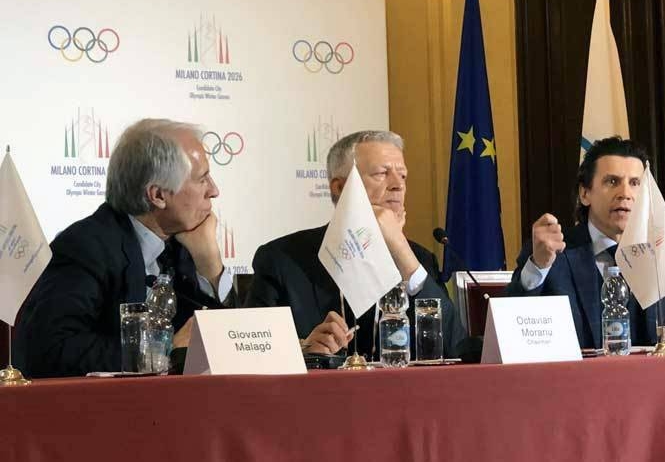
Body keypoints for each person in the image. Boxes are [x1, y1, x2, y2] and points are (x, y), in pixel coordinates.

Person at [14, 118, 233, 377]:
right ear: (158, 196)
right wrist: (162, 352)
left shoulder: (183, 245)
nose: (214, 191)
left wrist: (210, 267)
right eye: (202, 179)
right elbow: (50, 349)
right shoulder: (86, 248)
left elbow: (228, 351)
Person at [246, 130, 466, 359]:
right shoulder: (281, 259)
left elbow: (455, 349)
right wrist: (304, 351)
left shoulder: (418, 259)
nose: (397, 186)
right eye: (382, 173)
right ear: (339, 188)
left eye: (402, 176)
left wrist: (402, 251)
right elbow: (253, 356)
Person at [504, 136, 665, 349]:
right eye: (612, 181)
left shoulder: (660, 253)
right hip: (576, 381)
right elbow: (509, 327)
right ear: (585, 193)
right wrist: (538, 267)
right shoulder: (553, 253)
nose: (625, 193)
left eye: (635, 183)